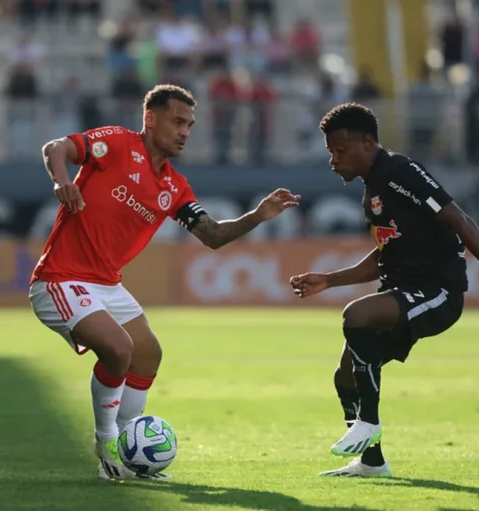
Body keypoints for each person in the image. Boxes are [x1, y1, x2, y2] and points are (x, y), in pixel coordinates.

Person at [29, 84, 300, 480]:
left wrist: (257, 216)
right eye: (177, 122)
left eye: (189, 125)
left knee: (148, 353)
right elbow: (56, 147)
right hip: (60, 279)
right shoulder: (117, 144)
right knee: (119, 348)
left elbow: (212, 235)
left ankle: (130, 450)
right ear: (150, 119)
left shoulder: (174, 186)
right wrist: (60, 179)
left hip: (105, 283)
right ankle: (106, 444)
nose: (185, 132)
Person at [290, 102, 479, 478]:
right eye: (330, 152)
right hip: (403, 289)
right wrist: (330, 279)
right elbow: (385, 255)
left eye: (340, 150)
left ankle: (369, 422)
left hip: (437, 291)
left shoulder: (399, 172)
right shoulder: (372, 190)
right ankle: (371, 461)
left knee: (356, 316)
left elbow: (459, 218)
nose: (333, 160)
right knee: (345, 376)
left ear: (368, 141)